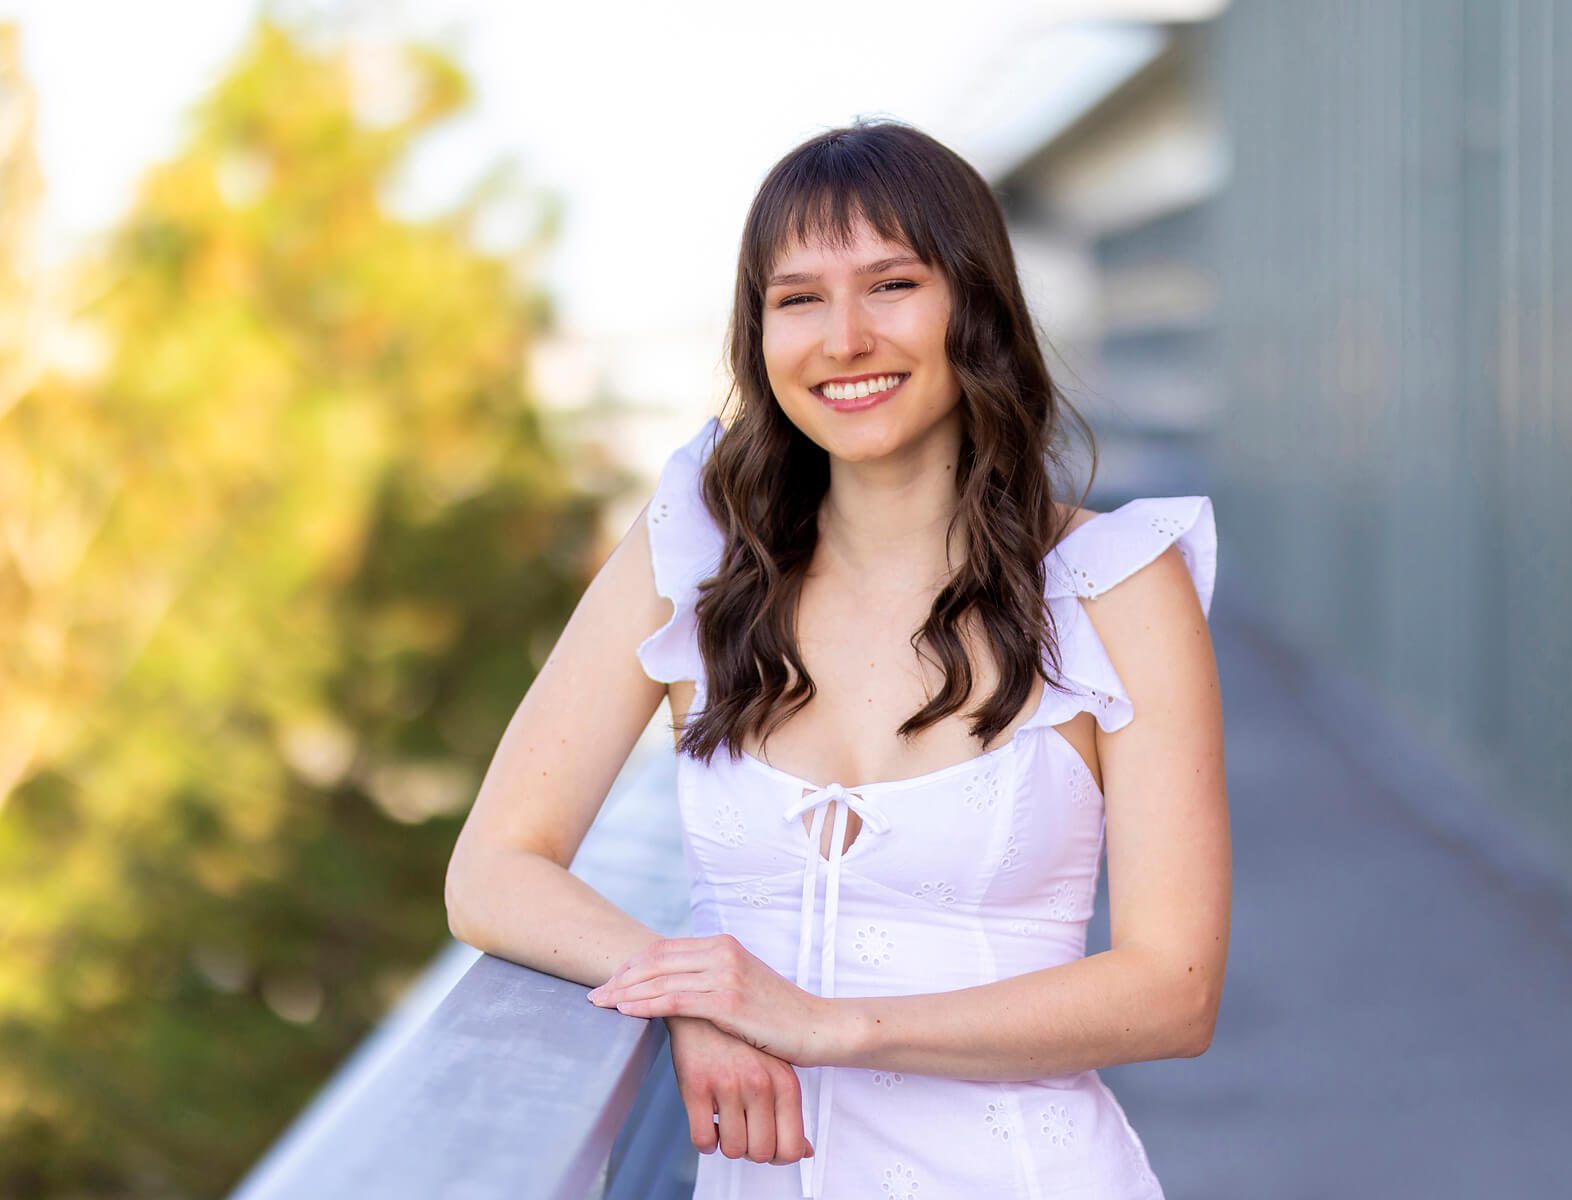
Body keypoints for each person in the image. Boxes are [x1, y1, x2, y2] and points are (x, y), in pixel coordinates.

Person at [446, 118, 1230, 1199]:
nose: (844, 338)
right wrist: (686, 990)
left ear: (975, 307)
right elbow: (492, 870)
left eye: (892, 285)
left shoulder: (1115, 581)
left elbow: (1173, 989)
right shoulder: (695, 554)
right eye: (799, 298)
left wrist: (821, 1026)